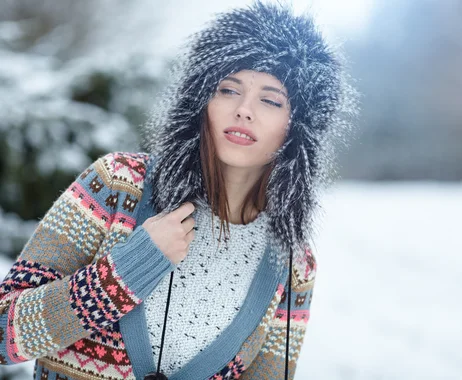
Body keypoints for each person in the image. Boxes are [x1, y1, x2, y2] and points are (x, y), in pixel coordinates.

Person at [0, 1, 357, 379]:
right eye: (227, 89)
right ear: (201, 100)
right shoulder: (118, 185)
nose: (244, 110)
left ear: (298, 126)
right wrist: (125, 272)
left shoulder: (292, 262)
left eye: (270, 99)